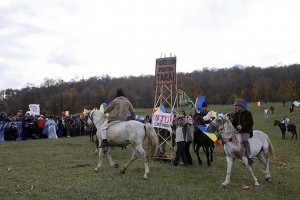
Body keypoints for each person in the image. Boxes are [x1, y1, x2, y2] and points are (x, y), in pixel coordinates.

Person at [231, 98, 254, 166]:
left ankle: (250, 157)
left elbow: (250, 122)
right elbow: (234, 123)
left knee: (244, 140)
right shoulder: (236, 113)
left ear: (240, 106)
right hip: (238, 131)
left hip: (247, 131)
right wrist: (232, 121)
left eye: (236, 105)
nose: (234, 107)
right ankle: (234, 154)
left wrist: (242, 126)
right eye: (234, 105)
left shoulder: (247, 113)